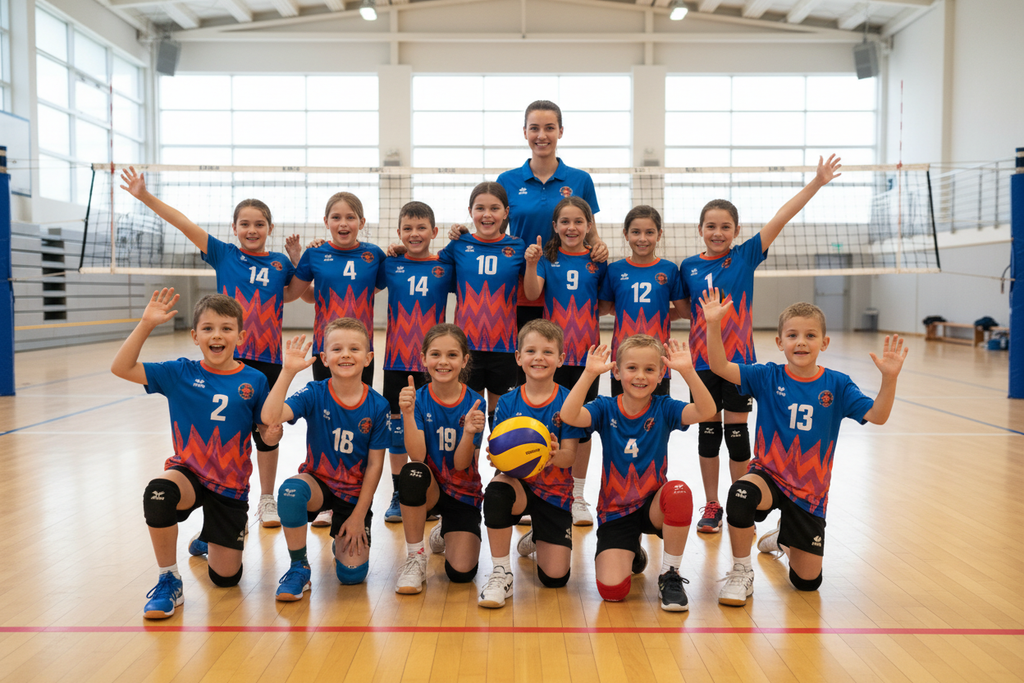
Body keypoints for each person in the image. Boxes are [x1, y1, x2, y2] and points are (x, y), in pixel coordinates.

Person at [119, 167, 305, 528]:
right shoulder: (224, 254)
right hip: (226, 356)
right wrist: (144, 196)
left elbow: (297, 293)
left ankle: (266, 499)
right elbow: (183, 223)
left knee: (267, 434)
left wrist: (297, 261)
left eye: (260, 224)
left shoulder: (280, 263)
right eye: (245, 224)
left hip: (266, 359)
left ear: (270, 228)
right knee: (224, 435)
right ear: (234, 228)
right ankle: (217, 510)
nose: (252, 230)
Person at [699, 292, 906, 606]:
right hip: (767, 477)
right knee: (740, 494)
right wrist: (713, 325)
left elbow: (877, 416)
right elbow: (719, 365)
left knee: (807, 584)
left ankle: (784, 537)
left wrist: (889, 379)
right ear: (780, 342)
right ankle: (741, 571)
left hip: (810, 492)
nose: (801, 342)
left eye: (810, 335)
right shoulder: (767, 375)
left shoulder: (837, 384)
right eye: (793, 335)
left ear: (824, 343)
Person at [679, 155, 842, 535]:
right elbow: (683, 308)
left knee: (736, 434)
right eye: (711, 226)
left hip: (739, 364)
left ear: (737, 230)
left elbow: (782, 217)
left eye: (725, 227)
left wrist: (817, 182)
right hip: (701, 362)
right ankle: (712, 504)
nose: (717, 233)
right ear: (700, 229)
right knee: (707, 434)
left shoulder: (745, 255)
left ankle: (740, 500)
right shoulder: (688, 266)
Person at [111, 289, 273, 619]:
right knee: (159, 492)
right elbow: (121, 367)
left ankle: (208, 536)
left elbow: (264, 431)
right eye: (208, 328)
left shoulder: (254, 380)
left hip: (230, 486)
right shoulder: (180, 372)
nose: (217, 335)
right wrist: (145, 324)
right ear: (195, 335)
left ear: (241, 336)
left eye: (227, 328)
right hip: (189, 473)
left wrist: (272, 431)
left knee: (225, 580)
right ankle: (168, 578)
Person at [560, 336, 716, 611]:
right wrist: (588, 373)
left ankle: (671, 574)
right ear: (617, 372)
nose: (640, 376)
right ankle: (631, 549)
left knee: (679, 491)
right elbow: (570, 415)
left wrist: (689, 371)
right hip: (615, 511)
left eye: (649, 369)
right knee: (612, 591)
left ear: (660, 374)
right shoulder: (605, 407)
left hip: (652, 506)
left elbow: (707, 410)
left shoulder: (664, 407)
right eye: (632, 368)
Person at [260, 319, 390, 601]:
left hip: (353, 496)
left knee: (352, 576)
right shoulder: (315, 392)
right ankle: (298, 567)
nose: (345, 354)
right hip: (318, 484)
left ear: (368, 358)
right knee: (291, 491)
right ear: (324, 358)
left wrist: (358, 517)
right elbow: (269, 417)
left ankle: (342, 538)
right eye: (337, 349)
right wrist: (287, 372)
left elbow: (376, 466)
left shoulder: (378, 405)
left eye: (354, 348)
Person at [449, 100, 608, 330]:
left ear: (561, 131)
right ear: (525, 132)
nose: (541, 135)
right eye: (534, 128)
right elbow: (494, 232)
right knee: (526, 356)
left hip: (565, 279)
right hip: (523, 280)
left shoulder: (581, 180)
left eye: (550, 128)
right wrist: (466, 235)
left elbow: (589, 229)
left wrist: (599, 244)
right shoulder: (507, 180)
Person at [478, 320, 585, 608]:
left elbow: (570, 457)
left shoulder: (569, 402)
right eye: (531, 351)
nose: (539, 358)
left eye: (548, 352)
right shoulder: (508, 402)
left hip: (555, 493)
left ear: (561, 359)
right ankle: (501, 572)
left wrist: (551, 455)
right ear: (518, 357)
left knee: (555, 578)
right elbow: (501, 459)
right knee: (497, 491)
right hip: (520, 487)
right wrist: (499, 457)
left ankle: (539, 533)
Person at [522, 197, 606, 526]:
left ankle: (577, 493)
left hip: (586, 357)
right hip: (552, 356)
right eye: (565, 222)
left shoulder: (598, 261)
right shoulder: (547, 258)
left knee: (581, 426)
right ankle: (539, 489)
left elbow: (606, 304)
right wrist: (531, 263)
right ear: (555, 226)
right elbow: (531, 294)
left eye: (578, 221)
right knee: (546, 421)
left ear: (588, 226)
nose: (572, 227)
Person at [394, 324, 487, 595]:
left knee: (461, 574)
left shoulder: (475, 403)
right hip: (430, 487)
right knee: (412, 472)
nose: (443, 362)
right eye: (435, 354)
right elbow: (418, 456)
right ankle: (415, 557)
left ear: (465, 360)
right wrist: (408, 414)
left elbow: (461, 464)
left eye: (452, 355)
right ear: (423, 359)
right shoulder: (418, 399)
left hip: (463, 493)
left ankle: (445, 528)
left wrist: (469, 431)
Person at [380, 201, 454, 525]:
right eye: (407, 229)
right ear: (398, 233)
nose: (414, 234)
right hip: (396, 361)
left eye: (421, 227)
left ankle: (433, 490)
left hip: (432, 364)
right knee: (397, 430)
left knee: (431, 428)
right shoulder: (389, 264)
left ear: (434, 232)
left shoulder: (445, 266)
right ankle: (399, 492)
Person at [438, 182, 525, 428]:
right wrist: (400, 250)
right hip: (467, 346)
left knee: (502, 418)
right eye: (480, 208)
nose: (487, 215)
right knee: (470, 417)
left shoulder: (518, 246)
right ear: (470, 211)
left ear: (506, 212)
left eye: (494, 208)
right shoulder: (459, 245)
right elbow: (427, 264)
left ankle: (502, 467)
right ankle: (469, 467)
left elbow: (530, 290)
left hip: (505, 347)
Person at [292, 191, 386, 385]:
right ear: (326, 222)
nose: (343, 223)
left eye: (350, 217)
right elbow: (309, 296)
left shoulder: (374, 254)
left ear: (361, 222)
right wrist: (297, 261)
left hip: (362, 347)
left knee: (361, 405)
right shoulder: (315, 253)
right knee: (324, 404)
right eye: (336, 217)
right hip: (325, 345)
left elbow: (370, 290)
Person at [598, 206, 686, 397]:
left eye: (649, 232)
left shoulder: (669, 269)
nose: (642, 238)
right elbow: (604, 308)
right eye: (636, 232)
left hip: (658, 357)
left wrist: (656, 313)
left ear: (659, 234)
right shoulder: (614, 270)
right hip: (623, 356)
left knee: (657, 416)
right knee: (621, 414)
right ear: (626, 234)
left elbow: (683, 311)